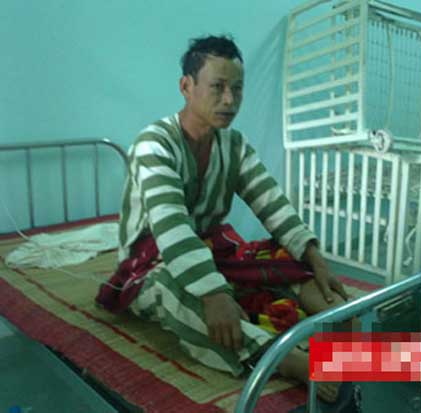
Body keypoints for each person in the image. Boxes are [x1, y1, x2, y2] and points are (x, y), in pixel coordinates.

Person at [103, 35, 351, 402]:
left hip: (210, 250)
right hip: (150, 260)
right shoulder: (153, 144)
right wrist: (213, 293)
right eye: (217, 87)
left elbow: (272, 203)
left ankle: (347, 320)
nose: (230, 100)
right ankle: (285, 359)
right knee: (172, 289)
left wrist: (315, 257)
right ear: (186, 87)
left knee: (288, 259)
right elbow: (171, 228)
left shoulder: (234, 145)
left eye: (237, 89)